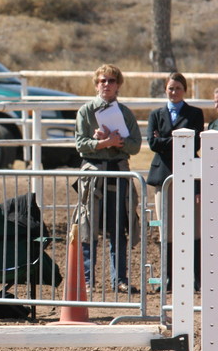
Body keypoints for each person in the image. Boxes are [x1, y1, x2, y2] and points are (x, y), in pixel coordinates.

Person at [72, 64, 142, 294]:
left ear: (118, 85)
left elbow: (135, 145)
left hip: (118, 172)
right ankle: (88, 280)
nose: (106, 85)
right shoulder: (86, 111)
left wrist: (118, 141)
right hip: (93, 174)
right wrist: (102, 143)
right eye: (102, 80)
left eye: (111, 81)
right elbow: (80, 145)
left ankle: (119, 279)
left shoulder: (125, 114)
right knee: (88, 226)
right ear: (96, 83)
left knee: (118, 226)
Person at [146, 72, 204, 291]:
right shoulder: (156, 114)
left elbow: (194, 142)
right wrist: (178, 139)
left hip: (189, 174)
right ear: (165, 89)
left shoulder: (195, 113)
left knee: (195, 228)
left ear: (184, 90)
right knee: (166, 229)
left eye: (178, 88)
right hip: (164, 176)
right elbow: (152, 143)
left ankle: (197, 277)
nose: (174, 92)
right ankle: (167, 277)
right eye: (170, 88)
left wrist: (165, 139)